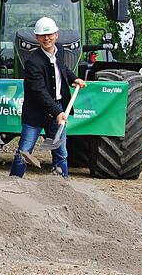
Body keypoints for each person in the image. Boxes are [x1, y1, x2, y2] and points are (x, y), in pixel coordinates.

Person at [10, 16, 87, 180]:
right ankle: (14, 181)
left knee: (61, 152)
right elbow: (39, 91)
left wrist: (74, 78)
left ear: (56, 35)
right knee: (24, 151)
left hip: (57, 107)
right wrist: (58, 112)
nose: (47, 38)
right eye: (43, 36)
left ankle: (62, 185)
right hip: (36, 112)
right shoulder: (33, 62)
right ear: (37, 38)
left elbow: (62, 69)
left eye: (50, 35)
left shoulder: (59, 51)